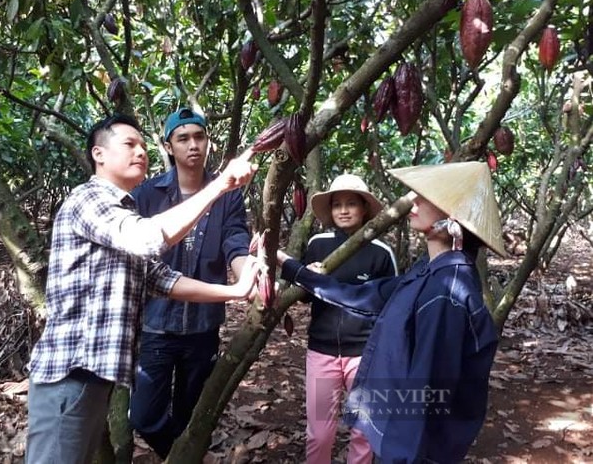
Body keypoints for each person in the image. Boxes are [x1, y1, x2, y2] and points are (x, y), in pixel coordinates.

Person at [25, 114, 259, 464]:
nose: (140, 152)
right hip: (70, 373)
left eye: (142, 145)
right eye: (129, 144)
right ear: (98, 154)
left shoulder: (124, 208)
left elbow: (160, 278)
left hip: (93, 376)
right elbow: (149, 238)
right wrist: (222, 184)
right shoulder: (89, 199)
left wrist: (236, 291)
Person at [278, 161, 503, 463]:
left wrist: (400, 454)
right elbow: (361, 296)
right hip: (337, 365)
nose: (414, 201)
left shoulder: (448, 294)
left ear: (452, 219)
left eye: (426, 197)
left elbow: (428, 393)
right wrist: (289, 265)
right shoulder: (427, 271)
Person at [128, 106, 251, 459]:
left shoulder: (227, 193)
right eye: (183, 138)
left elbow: (235, 243)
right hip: (157, 325)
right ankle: (181, 457)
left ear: (208, 143)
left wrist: (247, 276)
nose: (192, 145)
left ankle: (184, 452)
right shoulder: (148, 194)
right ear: (168, 147)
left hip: (203, 327)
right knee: (144, 416)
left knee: (189, 414)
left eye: (199, 137)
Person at [301, 174, 398, 464]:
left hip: (365, 356)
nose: (343, 210)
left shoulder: (381, 253)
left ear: (364, 209)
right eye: (337, 205)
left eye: (351, 204)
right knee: (319, 433)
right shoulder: (318, 245)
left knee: (363, 433)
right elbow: (304, 296)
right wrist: (310, 277)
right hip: (322, 350)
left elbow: (390, 305)